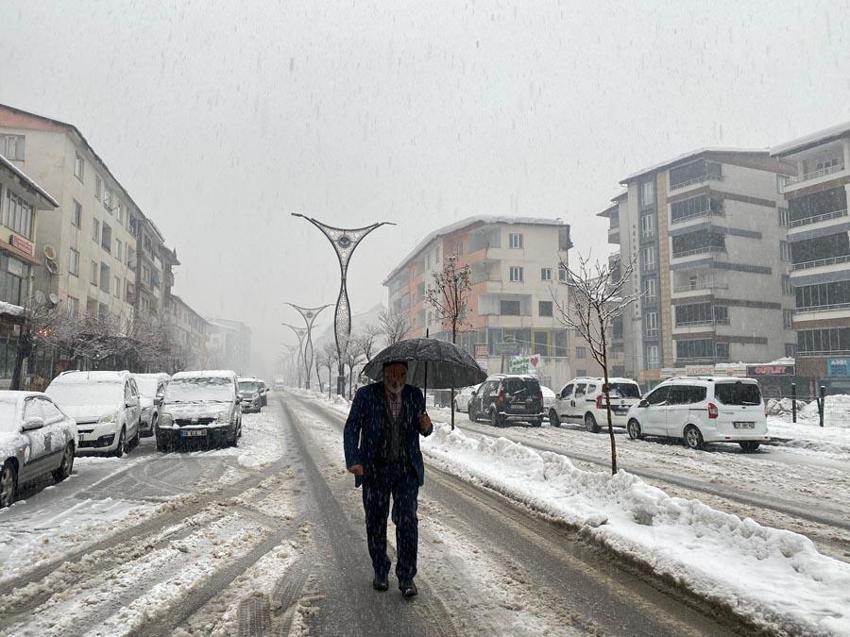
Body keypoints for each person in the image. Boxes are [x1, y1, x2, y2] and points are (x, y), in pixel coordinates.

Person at [343, 360, 433, 598]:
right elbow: (352, 427)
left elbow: (422, 428)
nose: (397, 379)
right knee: (375, 522)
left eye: (402, 374)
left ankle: (406, 577)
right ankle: (380, 570)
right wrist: (354, 458)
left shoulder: (414, 395)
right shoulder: (366, 396)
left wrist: (427, 427)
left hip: (405, 470)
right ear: (383, 374)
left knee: (407, 522)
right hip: (374, 469)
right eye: (393, 374)